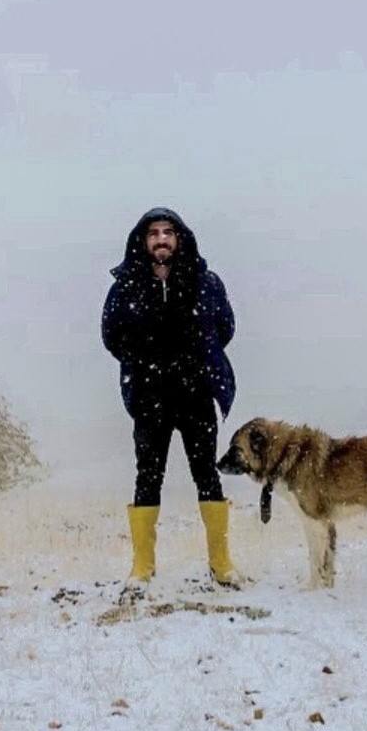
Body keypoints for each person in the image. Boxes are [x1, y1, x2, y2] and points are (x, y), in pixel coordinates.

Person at [101, 206, 240, 593]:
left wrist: (194, 360)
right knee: (147, 477)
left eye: (168, 232)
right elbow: (112, 335)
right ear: (143, 242)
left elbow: (225, 327)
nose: (161, 239)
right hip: (150, 397)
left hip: (195, 394)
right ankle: (142, 566)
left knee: (206, 476)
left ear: (180, 239)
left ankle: (221, 563)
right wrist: (145, 361)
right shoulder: (126, 286)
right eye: (153, 233)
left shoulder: (206, 282)